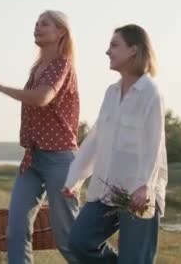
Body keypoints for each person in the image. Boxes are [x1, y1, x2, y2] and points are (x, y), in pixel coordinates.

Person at [62, 24, 168, 264]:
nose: (107, 51)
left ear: (133, 50)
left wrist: (145, 186)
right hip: (106, 191)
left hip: (138, 194)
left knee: (135, 259)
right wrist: (75, 179)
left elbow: (154, 143)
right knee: (79, 242)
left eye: (114, 45)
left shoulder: (151, 93)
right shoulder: (111, 92)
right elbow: (96, 139)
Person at [0, 10, 82, 264]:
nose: (37, 27)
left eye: (45, 24)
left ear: (61, 32)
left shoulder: (63, 64)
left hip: (60, 159)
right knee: (16, 230)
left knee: (67, 238)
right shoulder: (38, 67)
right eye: (36, 23)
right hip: (33, 158)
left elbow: (42, 98)